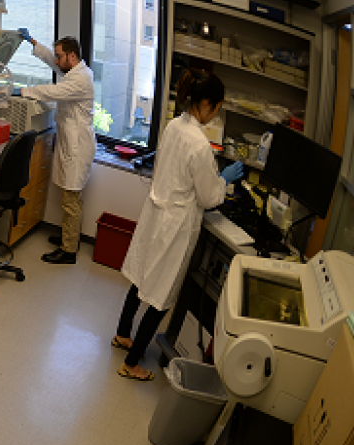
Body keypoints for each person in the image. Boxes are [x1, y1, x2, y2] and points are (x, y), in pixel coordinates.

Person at [113, 68, 244, 380]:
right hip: (174, 226)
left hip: (157, 214)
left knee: (140, 280)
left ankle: (122, 334)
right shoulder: (200, 145)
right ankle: (131, 363)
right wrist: (222, 181)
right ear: (208, 103)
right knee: (160, 297)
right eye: (218, 108)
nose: (216, 114)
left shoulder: (174, 125)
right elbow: (210, 197)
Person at [17, 30, 96, 264]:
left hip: (77, 145)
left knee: (71, 200)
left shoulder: (80, 79)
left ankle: (69, 250)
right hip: (71, 141)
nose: (56, 60)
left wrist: (23, 91)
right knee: (69, 197)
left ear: (72, 57)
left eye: (60, 57)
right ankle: (68, 237)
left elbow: (54, 92)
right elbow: (52, 60)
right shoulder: (76, 70)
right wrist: (33, 43)